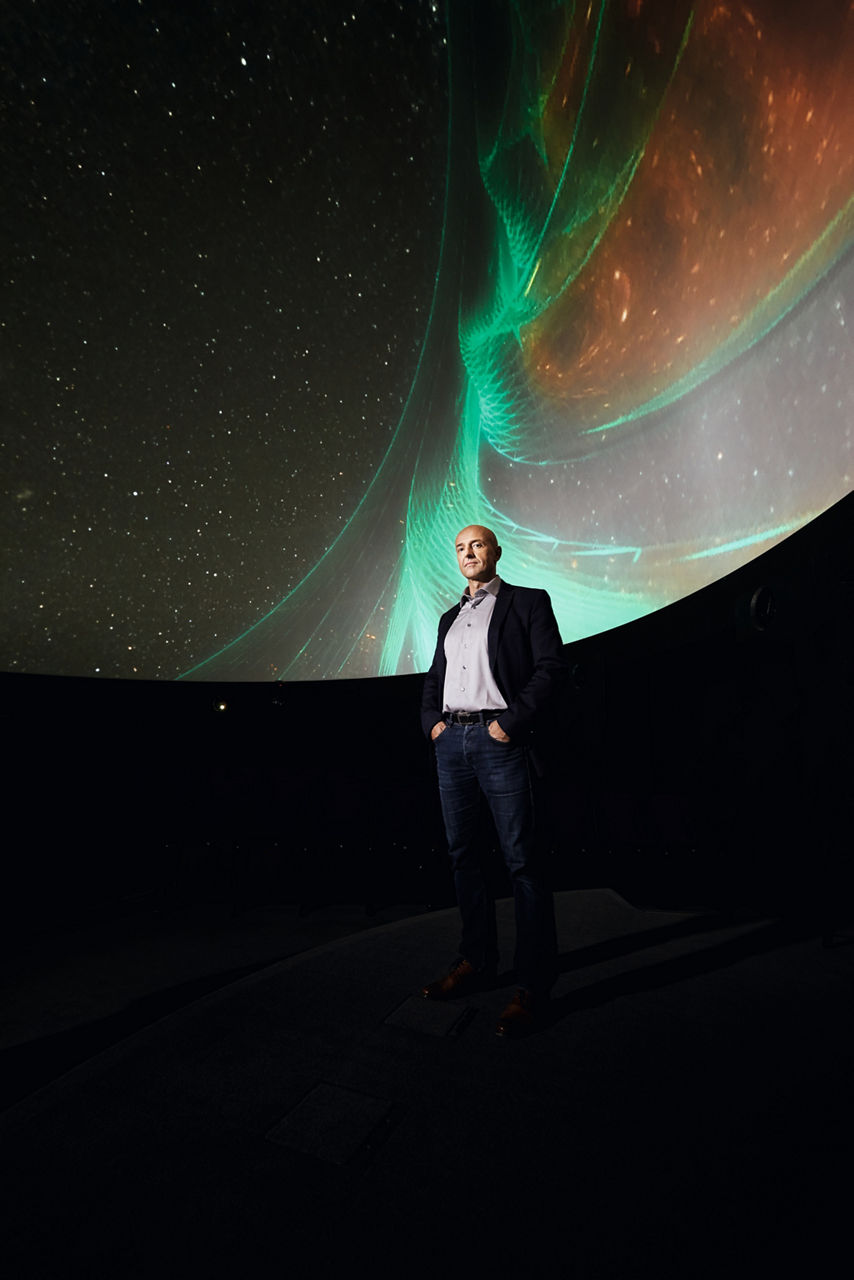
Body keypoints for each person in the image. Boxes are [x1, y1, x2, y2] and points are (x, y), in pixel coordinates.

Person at [420, 524, 567, 1036]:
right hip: (452, 745)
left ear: (496, 552)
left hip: (500, 741)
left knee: (522, 862)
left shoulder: (527, 602)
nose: (468, 553)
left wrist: (509, 722)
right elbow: (434, 680)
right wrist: (432, 725)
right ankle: (476, 961)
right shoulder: (448, 617)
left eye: (476, 545)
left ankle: (532, 984)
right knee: (464, 857)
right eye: (459, 547)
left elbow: (551, 668)